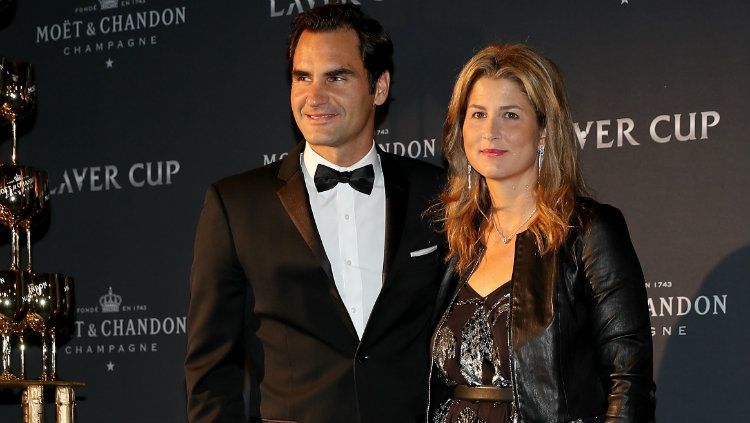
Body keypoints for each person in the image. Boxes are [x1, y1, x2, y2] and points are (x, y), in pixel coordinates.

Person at [185, 4, 445, 423]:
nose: (314, 96)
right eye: (302, 77)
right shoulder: (236, 204)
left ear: (378, 87)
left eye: (336, 77)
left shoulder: (435, 193)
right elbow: (211, 370)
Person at [428, 44, 656, 423]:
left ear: (545, 130)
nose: (490, 132)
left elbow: (627, 380)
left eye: (511, 115)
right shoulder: (456, 242)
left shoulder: (587, 232)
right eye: (478, 114)